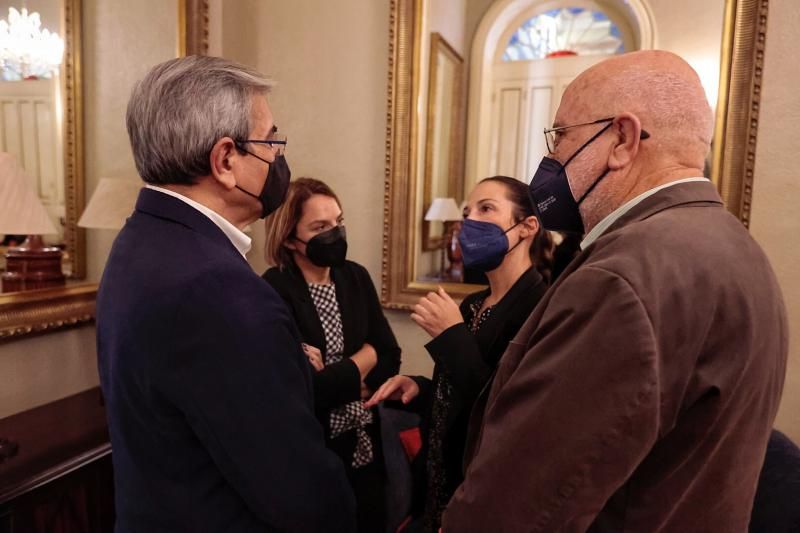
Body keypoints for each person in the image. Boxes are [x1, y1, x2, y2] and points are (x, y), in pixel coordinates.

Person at [442, 50, 788, 532]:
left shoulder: (623, 276)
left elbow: (519, 507)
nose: (551, 158)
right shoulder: (739, 247)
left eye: (561, 136)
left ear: (622, 139)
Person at [96, 56, 355, 532]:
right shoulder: (220, 291)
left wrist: (274, 359)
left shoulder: (142, 238)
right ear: (225, 161)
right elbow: (300, 495)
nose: (279, 154)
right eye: (271, 139)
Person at [366, 176, 552, 532]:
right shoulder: (472, 304)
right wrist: (421, 388)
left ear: (528, 226)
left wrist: (451, 336)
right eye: (467, 212)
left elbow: (505, 412)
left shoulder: (541, 308)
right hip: (438, 484)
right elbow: (457, 394)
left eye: (486, 209)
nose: (470, 223)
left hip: (484, 496)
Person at [262, 177, 402, 532]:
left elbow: (390, 356)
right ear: (291, 238)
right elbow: (305, 390)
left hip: (366, 443)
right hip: (312, 453)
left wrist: (337, 374)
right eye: (320, 227)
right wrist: (364, 358)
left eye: (338, 222)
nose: (335, 234)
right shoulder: (273, 289)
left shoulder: (354, 276)